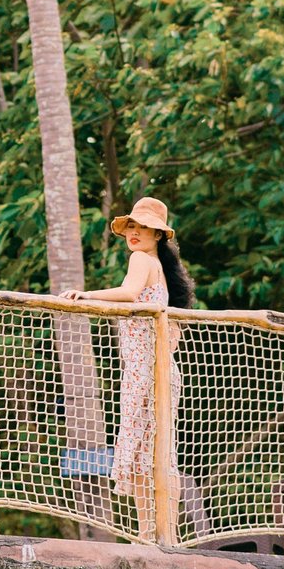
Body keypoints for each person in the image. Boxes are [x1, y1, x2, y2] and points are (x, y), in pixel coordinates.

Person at [61, 197, 195, 504]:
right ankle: (158, 538)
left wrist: (86, 295)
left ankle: (153, 539)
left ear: (158, 234)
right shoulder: (161, 270)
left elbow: (129, 293)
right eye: (131, 225)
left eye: (143, 227)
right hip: (160, 371)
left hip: (143, 371)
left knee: (142, 457)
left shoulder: (142, 261)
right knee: (156, 458)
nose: (134, 232)